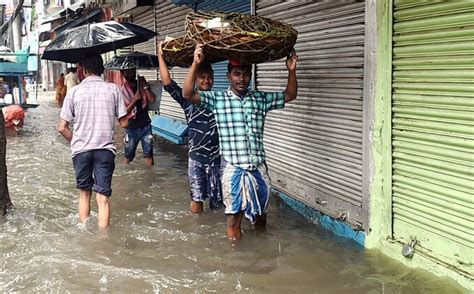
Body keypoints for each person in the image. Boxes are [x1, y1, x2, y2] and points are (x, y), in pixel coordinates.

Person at [183, 44, 298, 240]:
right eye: (237, 74)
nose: (242, 79)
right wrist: (195, 63)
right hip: (232, 167)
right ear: (228, 76)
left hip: (258, 168)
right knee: (233, 219)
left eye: (246, 74)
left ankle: (260, 254)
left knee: (261, 217)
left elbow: (290, 95)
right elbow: (187, 94)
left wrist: (292, 71)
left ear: (251, 76)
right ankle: (236, 261)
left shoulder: (260, 99)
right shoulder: (218, 99)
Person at [57, 54, 129, 229]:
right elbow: (125, 122)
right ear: (101, 70)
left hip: (81, 150)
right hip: (105, 150)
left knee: (84, 193)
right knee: (103, 198)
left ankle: (84, 232)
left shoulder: (73, 92)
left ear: (83, 70)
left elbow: (62, 127)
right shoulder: (113, 89)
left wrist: (77, 140)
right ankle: (103, 240)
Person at [158, 41, 222, 213]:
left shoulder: (221, 99)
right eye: (202, 76)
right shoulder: (187, 99)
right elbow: (167, 82)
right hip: (196, 159)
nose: (206, 80)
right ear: (195, 78)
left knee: (218, 205)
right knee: (196, 201)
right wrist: (160, 56)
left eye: (209, 77)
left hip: (218, 159)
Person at [120, 68, 156, 166]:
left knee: (149, 154)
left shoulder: (141, 85)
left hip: (146, 126)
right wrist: (134, 100)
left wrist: (144, 86)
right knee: (128, 156)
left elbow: (152, 99)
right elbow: (123, 112)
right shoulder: (122, 91)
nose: (130, 74)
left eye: (132, 71)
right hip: (131, 128)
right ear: (123, 73)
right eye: (127, 72)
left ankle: (150, 177)